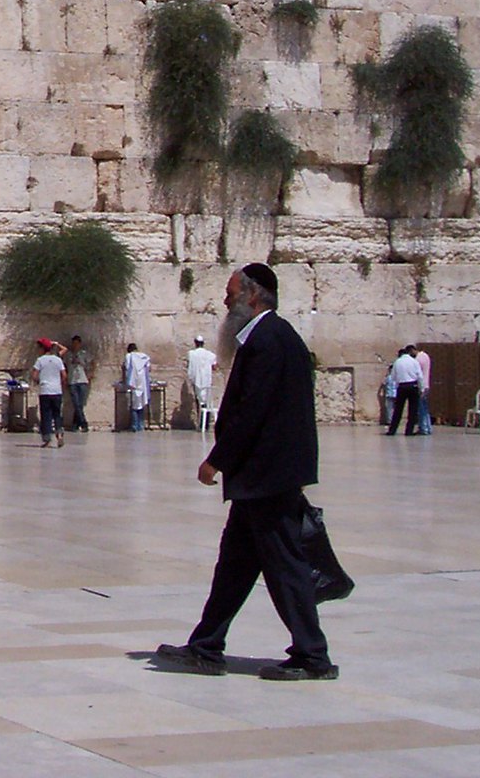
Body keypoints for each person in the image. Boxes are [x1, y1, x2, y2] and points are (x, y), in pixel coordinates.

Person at [154, 263, 335, 681]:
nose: (225, 300)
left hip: (268, 477)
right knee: (234, 568)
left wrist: (217, 459)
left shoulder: (269, 340)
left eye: (231, 293)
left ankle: (313, 656)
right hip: (263, 477)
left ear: (254, 297)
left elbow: (252, 411)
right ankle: (206, 646)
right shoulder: (272, 337)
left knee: (286, 567)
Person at [32, 339, 67, 447]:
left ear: (43, 348)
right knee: (57, 413)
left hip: (45, 391)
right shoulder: (57, 360)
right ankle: (59, 434)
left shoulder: (40, 360)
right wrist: (58, 383)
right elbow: (64, 375)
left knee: (46, 415)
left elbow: (34, 375)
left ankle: (47, 438)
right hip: (56, 390)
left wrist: (38, 381)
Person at [386, 346, 424, 436]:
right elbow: (420, 376)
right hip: (413, 386)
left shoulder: (397, 362)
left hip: (402, 387)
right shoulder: (414, 361)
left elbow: (393, 377)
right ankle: (409, 431)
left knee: (398, 410)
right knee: (412, 410)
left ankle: (392, 430)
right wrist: (421, 388)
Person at [187, 335, 217, 424]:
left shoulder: (191, 353)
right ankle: (205, 422)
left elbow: (189, 365)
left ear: (195, 343)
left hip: (197, 379)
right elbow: (214, 366)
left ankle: (201, 422)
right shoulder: (210, 355)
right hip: (206, 381)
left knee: (199, 400)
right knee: (206, 400)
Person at [67, 334, 93, 433]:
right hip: (72, 380)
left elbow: (92, 363)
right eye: (74, 343)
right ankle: (83, 423)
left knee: (80, 404)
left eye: (77, 344)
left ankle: (75, 424)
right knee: (76, 403)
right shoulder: (68, 354)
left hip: (82, 380)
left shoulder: (84, 354)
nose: (75, 345)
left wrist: (90, 374)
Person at [124, 343, 151, 432]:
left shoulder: (129, 356)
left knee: (134, 405)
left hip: (133, 382)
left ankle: (134, 425)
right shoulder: (144, 357)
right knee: (141, 404)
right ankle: (141, 425)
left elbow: (127, 368)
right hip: (143, 383)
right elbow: (149, 369)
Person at [415, 343, 434, 433]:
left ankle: (423, 428)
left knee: (421, 408)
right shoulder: (426, 356)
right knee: (425, 408)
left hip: (421, 386)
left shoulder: (418, 359)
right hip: (427, 385)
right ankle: (428, 427)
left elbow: (418, 375)